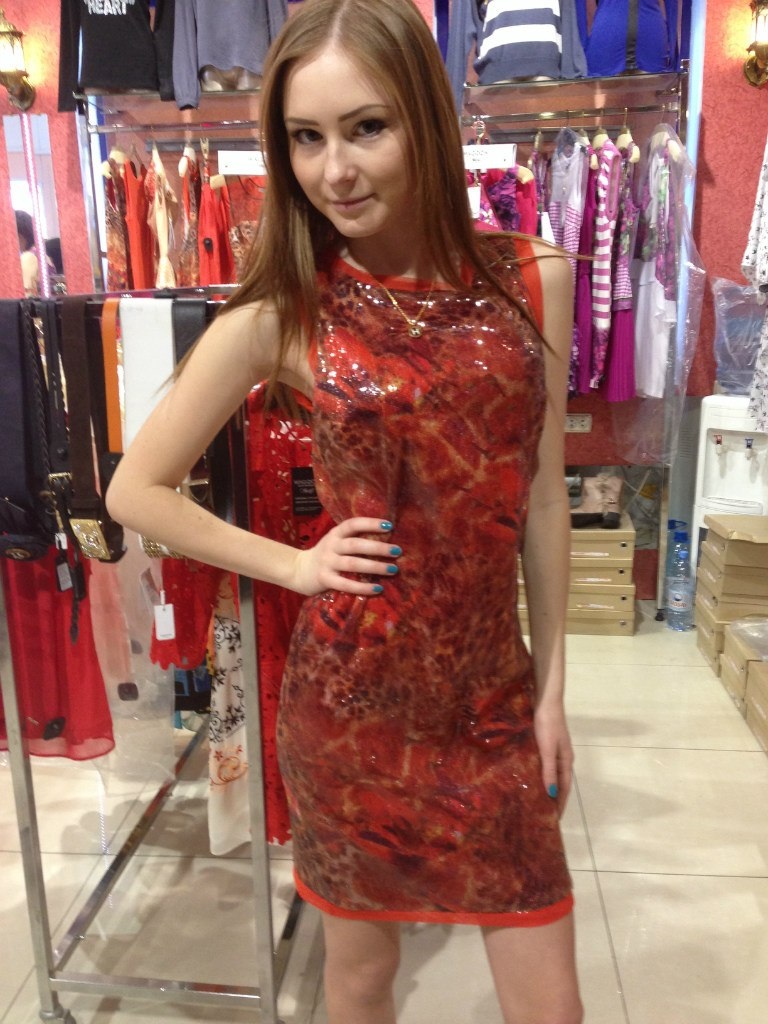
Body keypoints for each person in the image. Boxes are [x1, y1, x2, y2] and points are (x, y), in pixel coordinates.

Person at [106, 1, 582, 1021]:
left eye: (366, 128)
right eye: (306, 138)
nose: (335, 171)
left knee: (554, 1005)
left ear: (426, 119)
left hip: (494, 707)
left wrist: (551, 693)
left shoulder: (534, 278)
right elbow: (133, 489)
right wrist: (295, 564)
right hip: (350, 715)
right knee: (360, 982)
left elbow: (544, 496)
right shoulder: (288, 307)